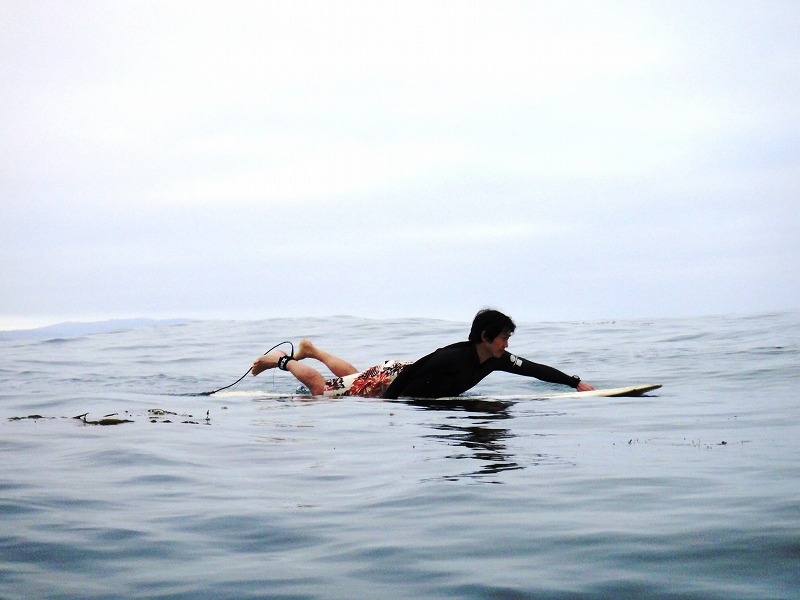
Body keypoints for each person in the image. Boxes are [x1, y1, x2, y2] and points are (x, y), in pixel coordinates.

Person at [251, 309, 594, 398]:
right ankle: (281, 360)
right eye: (503, 338)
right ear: (486, 337)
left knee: (351, 379)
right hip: (393, 378)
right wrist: (386, 404)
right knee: (321, 392)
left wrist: (574, 382)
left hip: (394, 373)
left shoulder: (496, 359)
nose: (507, 345)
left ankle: (311, 350)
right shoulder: (452, 356)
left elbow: (534, 368)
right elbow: (412, 375)